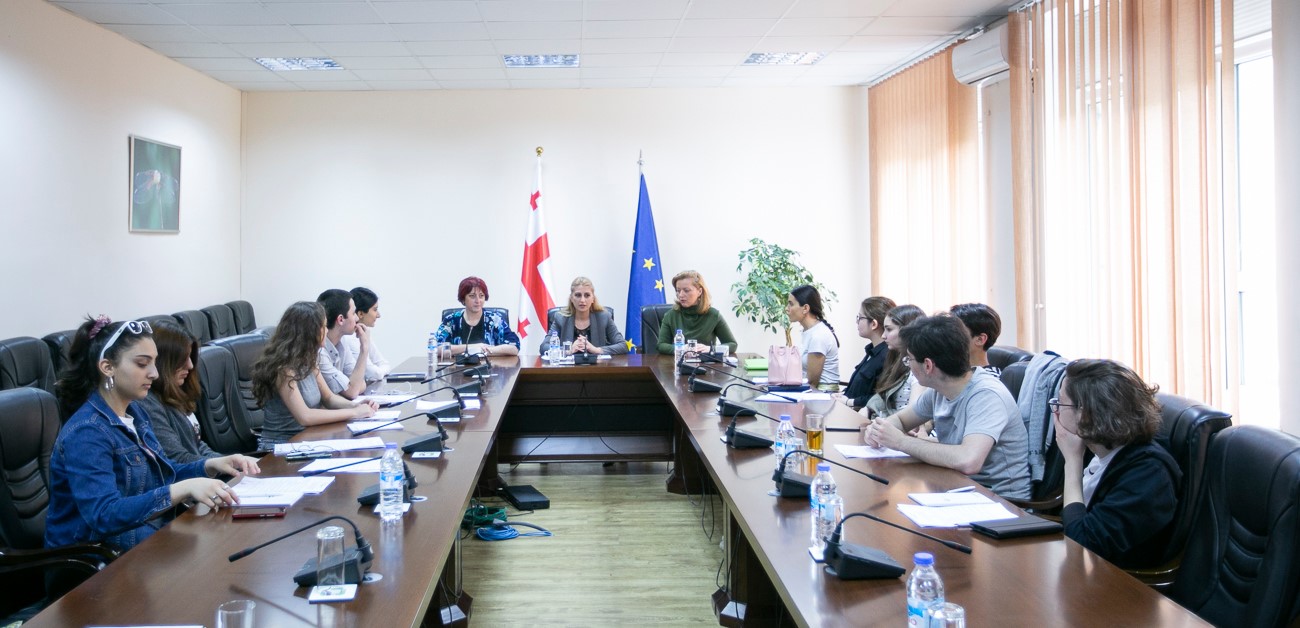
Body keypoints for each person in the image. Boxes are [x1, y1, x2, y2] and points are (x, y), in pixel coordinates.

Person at [46, 317, 260, 552]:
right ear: (107, 367)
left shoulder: (135, 412)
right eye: (142, 364)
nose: (155, 374)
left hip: (141, 535)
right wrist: (182, 489)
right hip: (96, 557)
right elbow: (104, 515)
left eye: (154, 363)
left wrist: (211, 465)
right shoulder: (87, 431)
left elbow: (163, 474)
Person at [863, 315, 1031, 500]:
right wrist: (879, 431)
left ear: (928, 365)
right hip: (956, 487)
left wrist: (900, 442)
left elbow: (968, 460)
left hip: (1000, 500)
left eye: (909, 359)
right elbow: (901, 420)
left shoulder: (987, 395)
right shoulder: (939, 389)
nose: (908, 365)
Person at [1053, 359, 1180, 569]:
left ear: (1084, 414)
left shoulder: (1148, 474)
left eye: (1060, 403)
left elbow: (1082, 545)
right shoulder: (1101, 446)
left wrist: (1072, 462)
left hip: (1116, 582)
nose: (1055, 411)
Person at [253, 302, 377, 448]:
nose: (327, 330)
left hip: (307, 440)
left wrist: (355, 405)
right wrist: (354, 412)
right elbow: (305, 416)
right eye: (323, 326)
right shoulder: (284, 368)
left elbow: (329, 398)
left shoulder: (310, 359)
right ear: (310, 331)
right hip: (281, 446)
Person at [136, 319, 220, 464]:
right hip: (189, 475)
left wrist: (234, 463)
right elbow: (176, 458)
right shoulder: (147, 401)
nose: (190, 365)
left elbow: (197, 445)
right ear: (162, 362)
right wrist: (224, 465)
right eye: (183, 359)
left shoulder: (175, 391)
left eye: (190, 357)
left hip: (199, 472)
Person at [862, 304, 928, 418]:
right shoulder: (896, 359)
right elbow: (880, 397)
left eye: (889, 329)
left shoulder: (920, 367)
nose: (883, 336)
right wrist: (867, 409)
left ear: (907, 330)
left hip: (897, 426)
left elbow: (914, 417)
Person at [656, 270, 738, 355]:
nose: (680, 295)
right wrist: (681, 348)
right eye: (678, 290)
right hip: (680, 361)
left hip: (707, 362)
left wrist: (711, 349)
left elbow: (732, 344)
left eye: (686, 290)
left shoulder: (713, 315)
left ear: (699, 291)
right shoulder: (671, 315)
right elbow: (661, 345)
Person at [540, 277, 628, 355]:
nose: (582, 300)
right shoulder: (561, 318)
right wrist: (567, 350)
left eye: (587, 295)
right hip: (569, 368)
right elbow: (544, 347)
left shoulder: (604, 317)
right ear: (571, 298)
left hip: (597, 367)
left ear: (593, 298)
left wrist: (596, 350)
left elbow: (623, 345)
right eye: (578, 295)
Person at [435, 276, 521, 357]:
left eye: (481, 296)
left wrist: (486, 350)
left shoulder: (494, 320)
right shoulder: (451, 320)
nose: (478, 300)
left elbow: (514, 347)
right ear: (463, 298)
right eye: (472, 296)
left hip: (490, 367)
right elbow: (436, 348)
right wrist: (473, 347)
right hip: (458, 367)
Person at [837, 296, 895, 408]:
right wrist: (842, 395)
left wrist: (849, 401)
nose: (857, 322)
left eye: (860, 317)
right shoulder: (871, 351)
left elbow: (880, 398)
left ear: (873, 324)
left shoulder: (887, 356)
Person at [316, 288, 369, 399]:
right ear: (340, 319)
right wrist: (364, 349)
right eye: (353, 313)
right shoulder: (319, 352)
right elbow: (352, 392)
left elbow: (360, 383)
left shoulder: (342, 341)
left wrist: (354, 386)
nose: (357, 318)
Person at [785, 285, 840, 389]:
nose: (786, 309)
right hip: (812, 391)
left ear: (805, 308)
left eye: (791, 304)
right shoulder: (809, 331)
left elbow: (811, 382)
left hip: (823, 394)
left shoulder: (819, 335)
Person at [342, 286, 392, 384]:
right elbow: (374, 374)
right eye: (375, 310)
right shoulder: (349, 338)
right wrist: (380, 371)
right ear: (360, 314)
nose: (378, 315)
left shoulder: (364, 331)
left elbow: (383, 363)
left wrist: (380, 371)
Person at [949, 303, 1003, 376]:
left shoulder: (989, 378)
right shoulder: (952, 373)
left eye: (956, 331)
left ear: (980, 339)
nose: (949, 336)